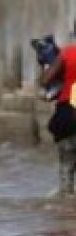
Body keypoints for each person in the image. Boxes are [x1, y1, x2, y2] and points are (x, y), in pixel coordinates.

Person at [41, 41, 76, 196]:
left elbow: (45, 80)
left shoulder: (68, 53)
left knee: (67, 170)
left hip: (68, 115)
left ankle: (67, 214)